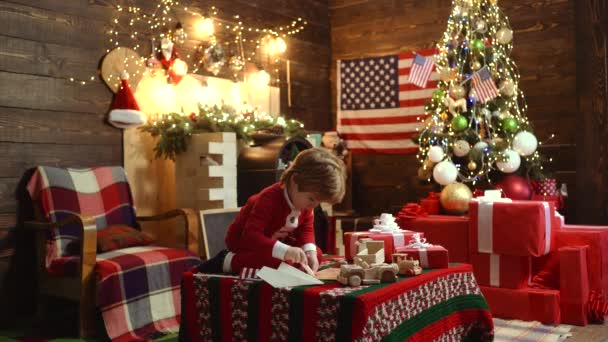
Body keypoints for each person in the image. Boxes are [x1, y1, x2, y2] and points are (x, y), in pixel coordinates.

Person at [197, 147, 347, 275]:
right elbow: (251, 236)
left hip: (276, 242)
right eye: (312, 199)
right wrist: (286, 251)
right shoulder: (268, 199)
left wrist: (310, 252)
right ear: (295, 181)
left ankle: (291, 262)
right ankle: (229, 261)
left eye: (318, 202)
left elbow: (306, 230)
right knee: (274, 262)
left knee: (315, 254)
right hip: (246, 244)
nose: (313, 206)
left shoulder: (305, 204)